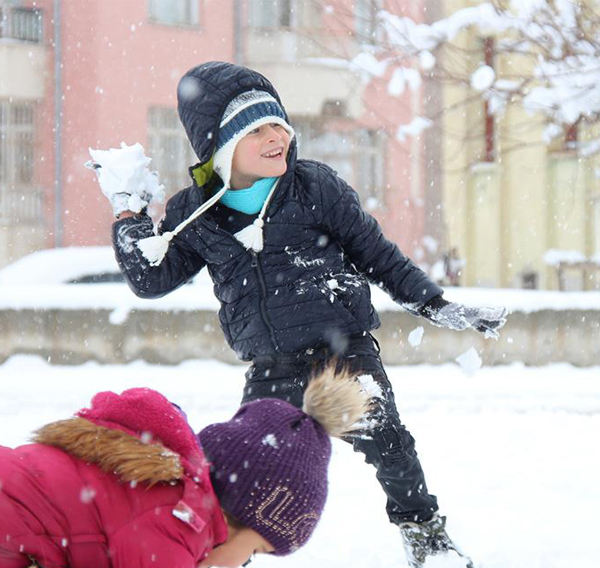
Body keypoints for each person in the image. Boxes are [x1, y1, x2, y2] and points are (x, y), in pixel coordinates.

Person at [106, 61, 505, 568]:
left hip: (343, 354)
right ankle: (225, 554)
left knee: (391, 447)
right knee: (243, 474)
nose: (276, 138)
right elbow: (151, 279)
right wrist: (128, 215)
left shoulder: (315, 187)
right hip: (271, 364)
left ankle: (426, 536)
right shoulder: (195, 210)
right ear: (221, 147)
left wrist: (435, 304)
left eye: (278, 123)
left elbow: (377, 254)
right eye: (255, 130)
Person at [0, 368, 370, 568]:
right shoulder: (179, 522)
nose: (243, 564)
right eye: (257, 552)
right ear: (241, 512)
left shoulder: (155, 477)